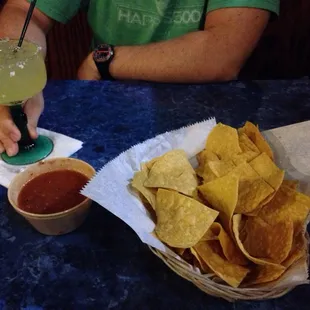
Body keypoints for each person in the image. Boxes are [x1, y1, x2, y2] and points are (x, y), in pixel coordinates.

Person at [0, 0, 279, 157]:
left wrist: (105, 61)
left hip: (213, 121)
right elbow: (25, 12)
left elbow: (224, 52)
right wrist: (21, 70)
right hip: (108, 110)